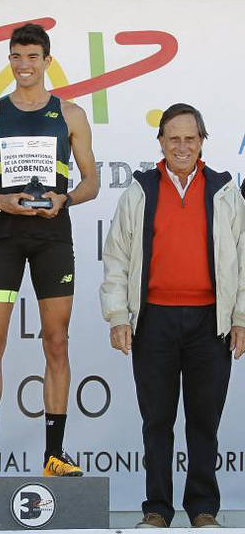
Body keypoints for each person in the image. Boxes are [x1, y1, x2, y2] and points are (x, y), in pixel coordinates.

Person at [0, 23, 98, 476]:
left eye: (32, 57)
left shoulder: (71, 115)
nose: (24, 65)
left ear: (47, 61)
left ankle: (54, 455)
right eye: (17, 57)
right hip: (3, 235)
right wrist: (1, 201)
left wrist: (66, 198)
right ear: (9, 60)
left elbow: (91, 180)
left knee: (56, 342)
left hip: (53, 236)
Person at [100, 103, 245, 528]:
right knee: (157, 421)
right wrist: (118, 316)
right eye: (173, 138)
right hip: (154, 321)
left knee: (204, 421)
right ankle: (157, 511)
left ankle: (203, 509)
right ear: (160, 142)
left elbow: (241, 257)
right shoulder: (140, 191)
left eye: (190, 138)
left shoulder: (224, 191)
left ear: (202, 142)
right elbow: (117, 258)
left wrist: (240, 318)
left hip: (209, 323)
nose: (182, 146)